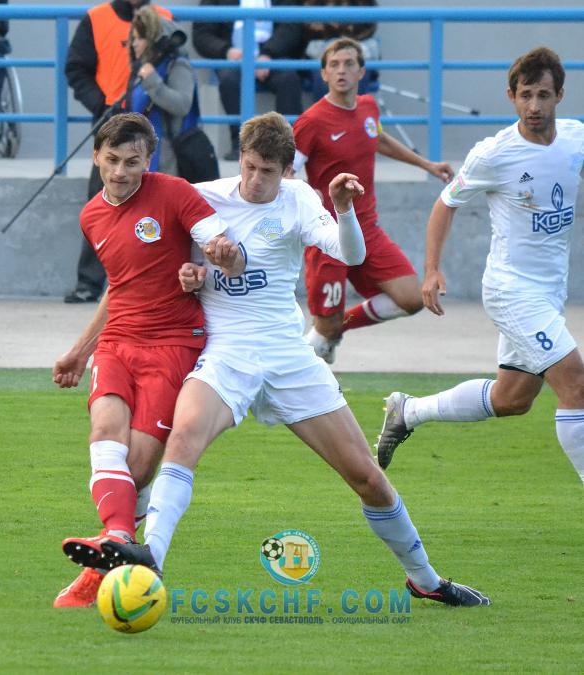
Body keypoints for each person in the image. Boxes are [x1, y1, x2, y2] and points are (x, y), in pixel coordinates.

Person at [94, 111, 490, 608]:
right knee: (184, 439)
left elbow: (350, 255)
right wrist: (188, 275)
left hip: (287, 355)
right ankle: (150, 559)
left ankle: (425, 579)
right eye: (249, 166)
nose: (255, 180)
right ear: (240, 159)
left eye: (268, 171)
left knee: (367, 477)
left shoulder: (300, 199)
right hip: (226, 351)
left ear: (288, 170)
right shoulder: (202, 197)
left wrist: (344, 209)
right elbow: (154, 257)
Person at [52, 112, 244, 608]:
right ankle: (118, 539)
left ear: (148, 161)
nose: (120, 171)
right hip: (118, 340)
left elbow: (224, 247)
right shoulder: (91, 215)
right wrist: (80, 350)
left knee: (137, 468)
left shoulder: (174, 193)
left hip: (174, 343)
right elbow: (119, 287)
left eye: (132, 162)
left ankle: (106, 558)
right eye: (112, 159)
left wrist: (212, 262)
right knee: (104, 433)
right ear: (96, 157)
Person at [376, 46, 584, 484]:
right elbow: (445, 203)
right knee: (575, 384)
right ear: (511, 96)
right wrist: (432, 269)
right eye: (525, 95)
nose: (533, 106)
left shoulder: (575, 139)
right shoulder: (495, 154)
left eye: (543, 95)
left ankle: (408, 411)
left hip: (549, 291)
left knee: (512, 399)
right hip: (512, 290)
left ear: (560, 96)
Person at [293, 38, 454, 364]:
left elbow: (377, 138)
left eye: (349, 64)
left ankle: (333, 330)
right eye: (334, 65)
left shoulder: (368, 107)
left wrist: (427, 165)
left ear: (361, 71)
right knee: (324, 329)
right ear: (323, 74)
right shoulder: (311, 122)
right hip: (328, 235)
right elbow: (286, 172)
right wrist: (304, 204)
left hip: (367, 229)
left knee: (412, 298)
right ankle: (316, 345)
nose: (341, 70)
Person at [63, 0, 172, 304]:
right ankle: (89, 282)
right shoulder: (96, 18)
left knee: (159, 205)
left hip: (156, 124)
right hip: (110, 121)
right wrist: (99, 103)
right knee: (101, 203)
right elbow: (76, 68)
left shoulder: (165, 17)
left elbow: (178, 66)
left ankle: (154, 284)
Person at [192, 0, 304, 161]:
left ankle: (288, 148)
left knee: (289, 79)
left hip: (273, 56)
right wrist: (226, 51)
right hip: (233, 57)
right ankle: (241, 146)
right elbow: (202, 33)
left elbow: (292, 26)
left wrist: (268, 53)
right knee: (228, 79)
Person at [127, 7, 194, 176]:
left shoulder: (177, 65)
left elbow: (182, 105)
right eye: (133, 38)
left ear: (154, 40)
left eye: (140, 38)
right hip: (141, 153)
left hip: (168, 161)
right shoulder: (142, 70)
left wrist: (152, 81)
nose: (134, 43)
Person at [301, 0, 379, 101]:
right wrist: (332, 27)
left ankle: (351, 110)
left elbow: (368, 25)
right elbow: (308, 26)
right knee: (324, 74)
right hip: (321, 51)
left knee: (357, 72)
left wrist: (341, 28)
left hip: (357, 47)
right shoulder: (313, 3)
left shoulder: (364, 3)